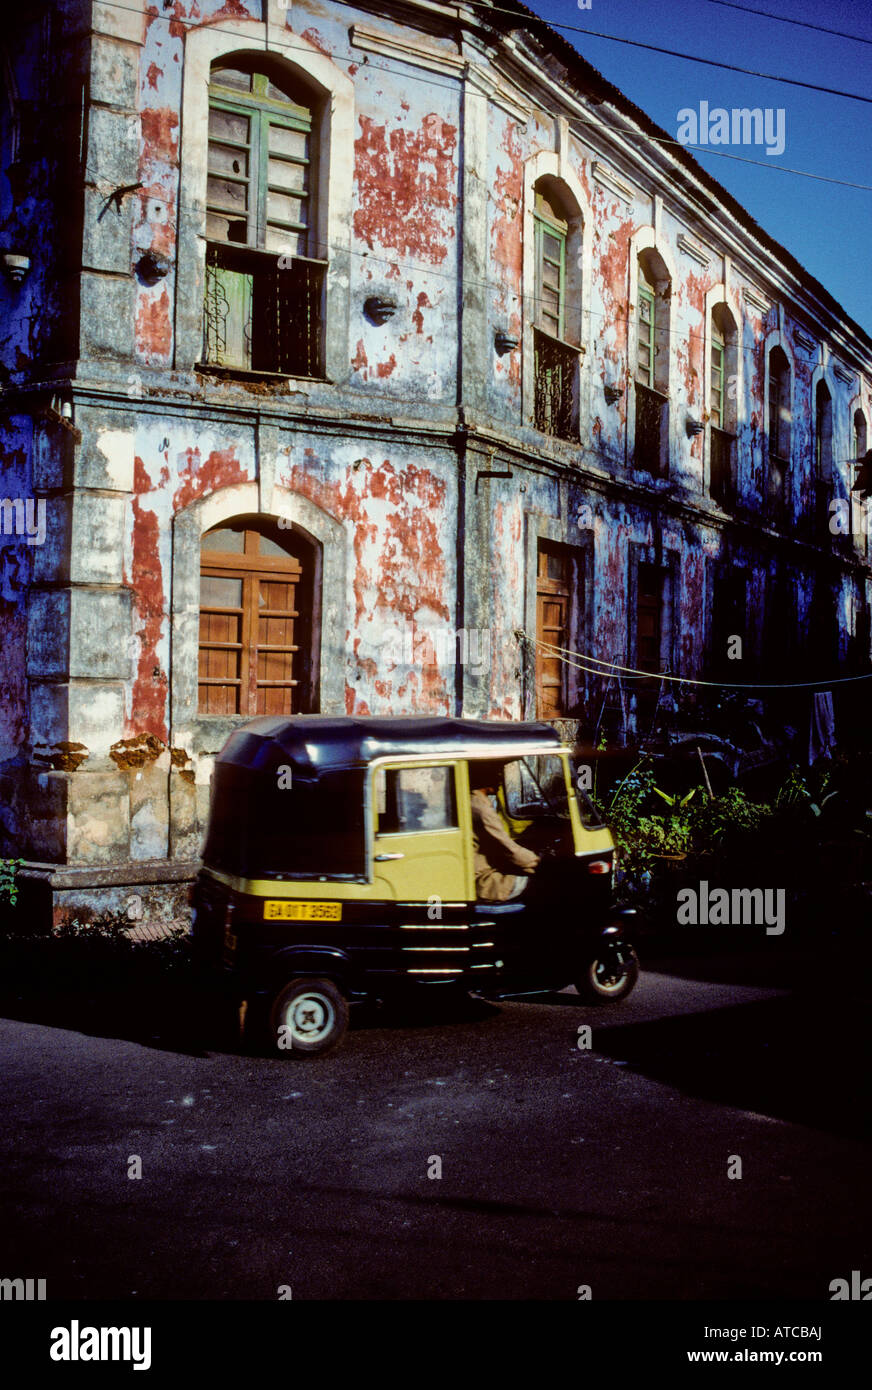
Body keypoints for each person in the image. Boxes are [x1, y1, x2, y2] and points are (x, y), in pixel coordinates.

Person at [468, 762, 541, 902]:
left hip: (484, 870)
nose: (500, 779)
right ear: (484, 777)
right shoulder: (479, 808)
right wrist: (536, 862)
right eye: (496, 774)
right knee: (543, 885)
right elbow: (507, 847)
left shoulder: (477, 802)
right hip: (484, 880)